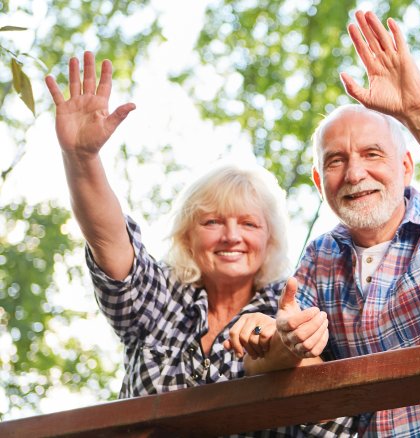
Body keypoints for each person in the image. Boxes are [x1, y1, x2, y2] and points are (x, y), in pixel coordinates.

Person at [232, 11, 420, 437]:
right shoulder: (320, 256)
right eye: (336, 161)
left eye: (372, 154)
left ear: (406, 166)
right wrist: (284, 342)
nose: (354, 174)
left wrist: (419, 111)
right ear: (318, 181)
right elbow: (261, 361)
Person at [46, 51, 353, 437]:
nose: (231, 236)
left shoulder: (293, 306)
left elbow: (334, 425)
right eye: (212, 221)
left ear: (269, 238)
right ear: (187, 236)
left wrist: (292, 349)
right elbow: (108, 240)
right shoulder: (160, 297)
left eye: (248, 223)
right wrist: (81, 158)